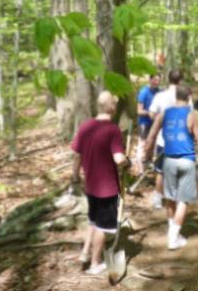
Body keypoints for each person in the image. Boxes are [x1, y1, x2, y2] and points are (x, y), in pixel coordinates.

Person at [71, 91, 130, 275]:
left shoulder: (85, 126)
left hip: (91, 186)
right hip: (107, 188)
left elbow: (76, 155)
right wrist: (128, 162)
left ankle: (84, 252)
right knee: (103, 227)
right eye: (115, 104)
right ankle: (95, 263)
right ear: (111, 107)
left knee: (93, 221)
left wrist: (74, 175)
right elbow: (119, 159)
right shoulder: (112, 130)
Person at [145, 85, 198, 250]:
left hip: (168, 161)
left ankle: (173, 232)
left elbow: (151, 137)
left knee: (170, 198)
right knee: (184, 200)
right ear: (189, 97)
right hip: (187, 161)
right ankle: (173, 237)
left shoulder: (164, 113)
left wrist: (146, 157)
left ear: (175, 97)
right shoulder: (193, 114)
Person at [147, 69, 183, 209]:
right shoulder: (185, 96)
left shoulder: (160, 96)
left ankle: (158, 197)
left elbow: (151, 114)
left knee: (161, 171)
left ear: (169, 80)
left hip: (164, 138)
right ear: (181, 81)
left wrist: (160, 121)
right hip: (180, 140)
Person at [134, 74, 160, 173]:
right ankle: (140, 168)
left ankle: (148, 163)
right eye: (154, 80)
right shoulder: (144, 92)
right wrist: (150, 112)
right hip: (144, 122)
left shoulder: (158, 91)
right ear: (150, 80)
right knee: (143, 144)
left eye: (158, 80)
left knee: (152, 142)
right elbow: (139, 110)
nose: (156, 82)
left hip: (154, 122)